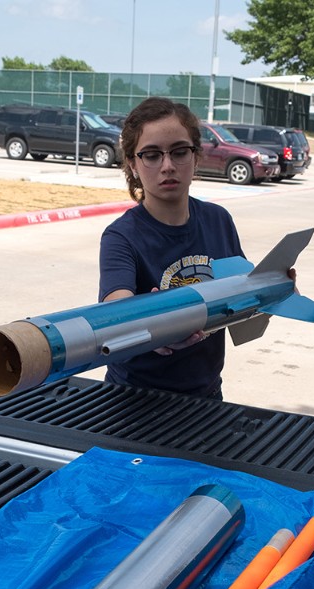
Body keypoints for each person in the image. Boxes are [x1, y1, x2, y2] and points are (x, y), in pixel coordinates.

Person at [98, 96, 244, 399]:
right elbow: (116, 306)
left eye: (179, 152)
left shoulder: (218, 220)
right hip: (131, 400)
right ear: (133, 164)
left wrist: (275, 290)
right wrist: (148, 325)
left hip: (206, 396)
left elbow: (242, 291)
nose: (167, 166)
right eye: (151, 155)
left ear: (196, 157)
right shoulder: (121, 236)